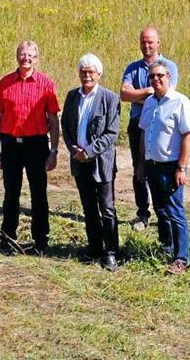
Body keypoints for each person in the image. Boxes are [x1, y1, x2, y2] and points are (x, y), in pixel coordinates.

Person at [0, 41, 60, 256]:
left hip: (36, 144)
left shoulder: (46, 84)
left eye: (30, 55)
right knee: (11, 193)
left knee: (38, 194)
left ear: (37, 58)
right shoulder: (5, 83)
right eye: (22, 54)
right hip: (10, 144)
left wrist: (54, 151)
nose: (26, 58)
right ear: (16, 57)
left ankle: (41, 241)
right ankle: (8, 239)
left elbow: (53, 120)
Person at [61, 54, 121, 272]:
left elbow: (112, 133)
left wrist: (89, 151)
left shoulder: (110, 98)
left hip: (101, 163)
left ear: (99, 74)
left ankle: (111, 252)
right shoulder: (71, 97)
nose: (87, 75)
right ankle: (94, 248)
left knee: (107, 208)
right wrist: (74, 149)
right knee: (88, 208)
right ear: (79, 73)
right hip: (79, 162)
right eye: (83, 72)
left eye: (91, 72)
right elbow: (65, 127)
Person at [120, 27, 179, 232]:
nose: (147, 46)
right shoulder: (133, 68)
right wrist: (146, 91)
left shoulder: (169, 65)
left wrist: (138, 95)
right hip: (137, 125)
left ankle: (166, 213)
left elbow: (166, 94)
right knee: (139, 168)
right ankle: (142, 213)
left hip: (162, 125)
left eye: (150, 42)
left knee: (161, 168)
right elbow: (124, 95)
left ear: (158, 42)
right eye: (143, 42)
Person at [138, 60, 190, 275]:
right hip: (152, 165)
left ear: (169, 77)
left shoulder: (180, 102)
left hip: (171, 167)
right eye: (152, 76)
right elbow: (144, 132)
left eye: (160, 75)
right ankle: (167, 247)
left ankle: (182, 258)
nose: (156, 79)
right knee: (161, 209)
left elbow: (188, 135)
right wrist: (141, 164)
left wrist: (181, 167)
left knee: (175, 211)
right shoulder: (150, 102)